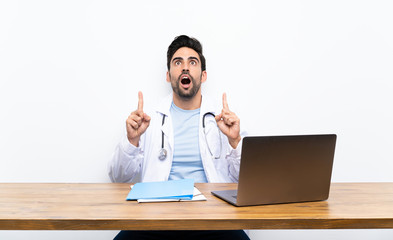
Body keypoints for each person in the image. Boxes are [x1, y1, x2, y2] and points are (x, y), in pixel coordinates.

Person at [108, 35, 249, 240]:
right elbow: (118, 177)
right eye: (178, 62)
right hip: (155, 219)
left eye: (193, 62)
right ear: (168, 75)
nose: (185, 67)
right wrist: (132, 141)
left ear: (203, 75)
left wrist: (235, 142)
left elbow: (244, 181)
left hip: (214, 218)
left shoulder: (224, 120)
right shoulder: (148, 119)